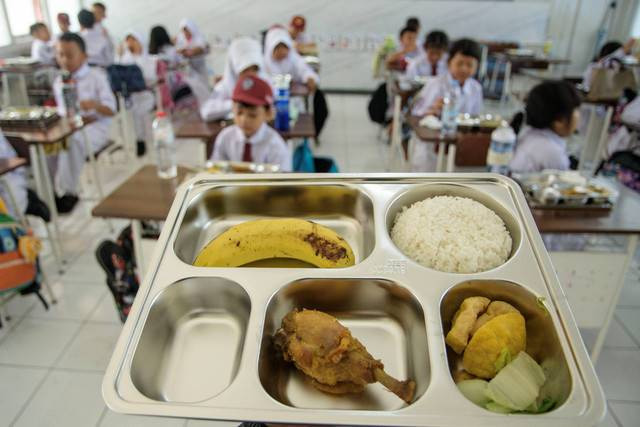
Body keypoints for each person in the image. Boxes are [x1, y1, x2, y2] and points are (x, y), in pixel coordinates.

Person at [52, 32, 116, 212]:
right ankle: (51, 192)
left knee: (73, 142)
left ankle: (68, 193)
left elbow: (112, 109)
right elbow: (62, 111)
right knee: (50, 148)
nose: (65, 60)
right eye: (60, 55)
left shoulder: (96, 76)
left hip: (96, 128)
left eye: (70, 55)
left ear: (84, 56)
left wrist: (94, 105)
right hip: (71, 127)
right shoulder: (60, 81)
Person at [410, 38, 484, 171]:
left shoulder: (476, 88)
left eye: (470, 65)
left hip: (459, 145)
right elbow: (416, 116)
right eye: (460, 63)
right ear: (450, 62)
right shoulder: (436, 84)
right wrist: (432, 110)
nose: (464, 69)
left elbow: (475, 118)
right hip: (431, 148)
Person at [211, 74, 291, 171]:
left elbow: (282, 181)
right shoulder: (225, 138)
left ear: (268, 113)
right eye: (239, 113)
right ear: (232, 108)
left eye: (252, 115)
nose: (244, 120)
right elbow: (215, 171)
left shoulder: (275, 145)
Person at [263, 27, 328, 136]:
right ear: (271, 48)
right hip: (272, 106)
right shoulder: (264, 63)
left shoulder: (292, 58)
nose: (282, 52)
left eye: (284, 48)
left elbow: (304, 70)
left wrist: (309, 78)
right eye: (278, 48)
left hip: (294, 104)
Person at [509, 80, 581, 173]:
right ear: (559, 120)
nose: (578, 116)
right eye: (576, 110)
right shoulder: (552, 152)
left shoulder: (528, 133)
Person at [200, 37, 268, 121]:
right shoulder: (225, 86)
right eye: (245, 70)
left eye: (255, 69)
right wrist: (238, 103)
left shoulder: (265, 84)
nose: (251, 74)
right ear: (234, 69)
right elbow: (206, 112)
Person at [117, 30, 157, 155]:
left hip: (145, 94)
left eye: (133, 40)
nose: (130, 44)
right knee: (132, 116)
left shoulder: (149, 59)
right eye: (128, 41)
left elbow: (151, 78)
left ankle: (149, 141)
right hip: (130, 96)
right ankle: (138, 141)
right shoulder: (124, 59)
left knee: (144, 115)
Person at [175, 19, 209, 83]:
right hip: (189, 69)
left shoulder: (199, 37)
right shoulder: (181, 38)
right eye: (183, 31)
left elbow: (202, 48)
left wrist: (187, 52)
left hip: (200, 66)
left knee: (203, 84)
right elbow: (177, 50)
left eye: (187, 30)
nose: (185, 33)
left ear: (192, 28)